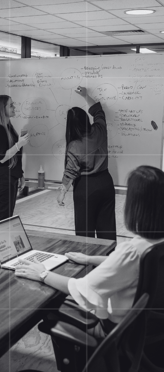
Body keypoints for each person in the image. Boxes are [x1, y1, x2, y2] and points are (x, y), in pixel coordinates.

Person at [16, 165, 164, 337]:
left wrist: (43, 274)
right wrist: (90, 259)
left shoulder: (130, 251)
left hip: (115, 330)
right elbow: (132, 266)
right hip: (146, 328)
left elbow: (82, 287)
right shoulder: (151, 245)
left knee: (53, 303)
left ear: (135, 206)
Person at [57, 86, 116, 240]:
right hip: (105, 183)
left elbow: (70, 172)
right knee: (107, 230)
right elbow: (98, 111)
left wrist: (62, 193)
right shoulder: (100, 129)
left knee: (85, 234)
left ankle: (87, 262)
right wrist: (86, 96)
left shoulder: (74, 145)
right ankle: (107, 261)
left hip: (85, 188)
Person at [0, 95, 29, 221]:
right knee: (4, 217)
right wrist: (19, 144)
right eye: (11, 105)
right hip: (3, 178)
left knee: (7, 217)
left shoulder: (8, 127)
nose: (14, 107)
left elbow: (15, 157)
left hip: (10, 176)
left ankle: (3, 241)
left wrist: (20, 175)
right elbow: (1, 158)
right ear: (2, 109)